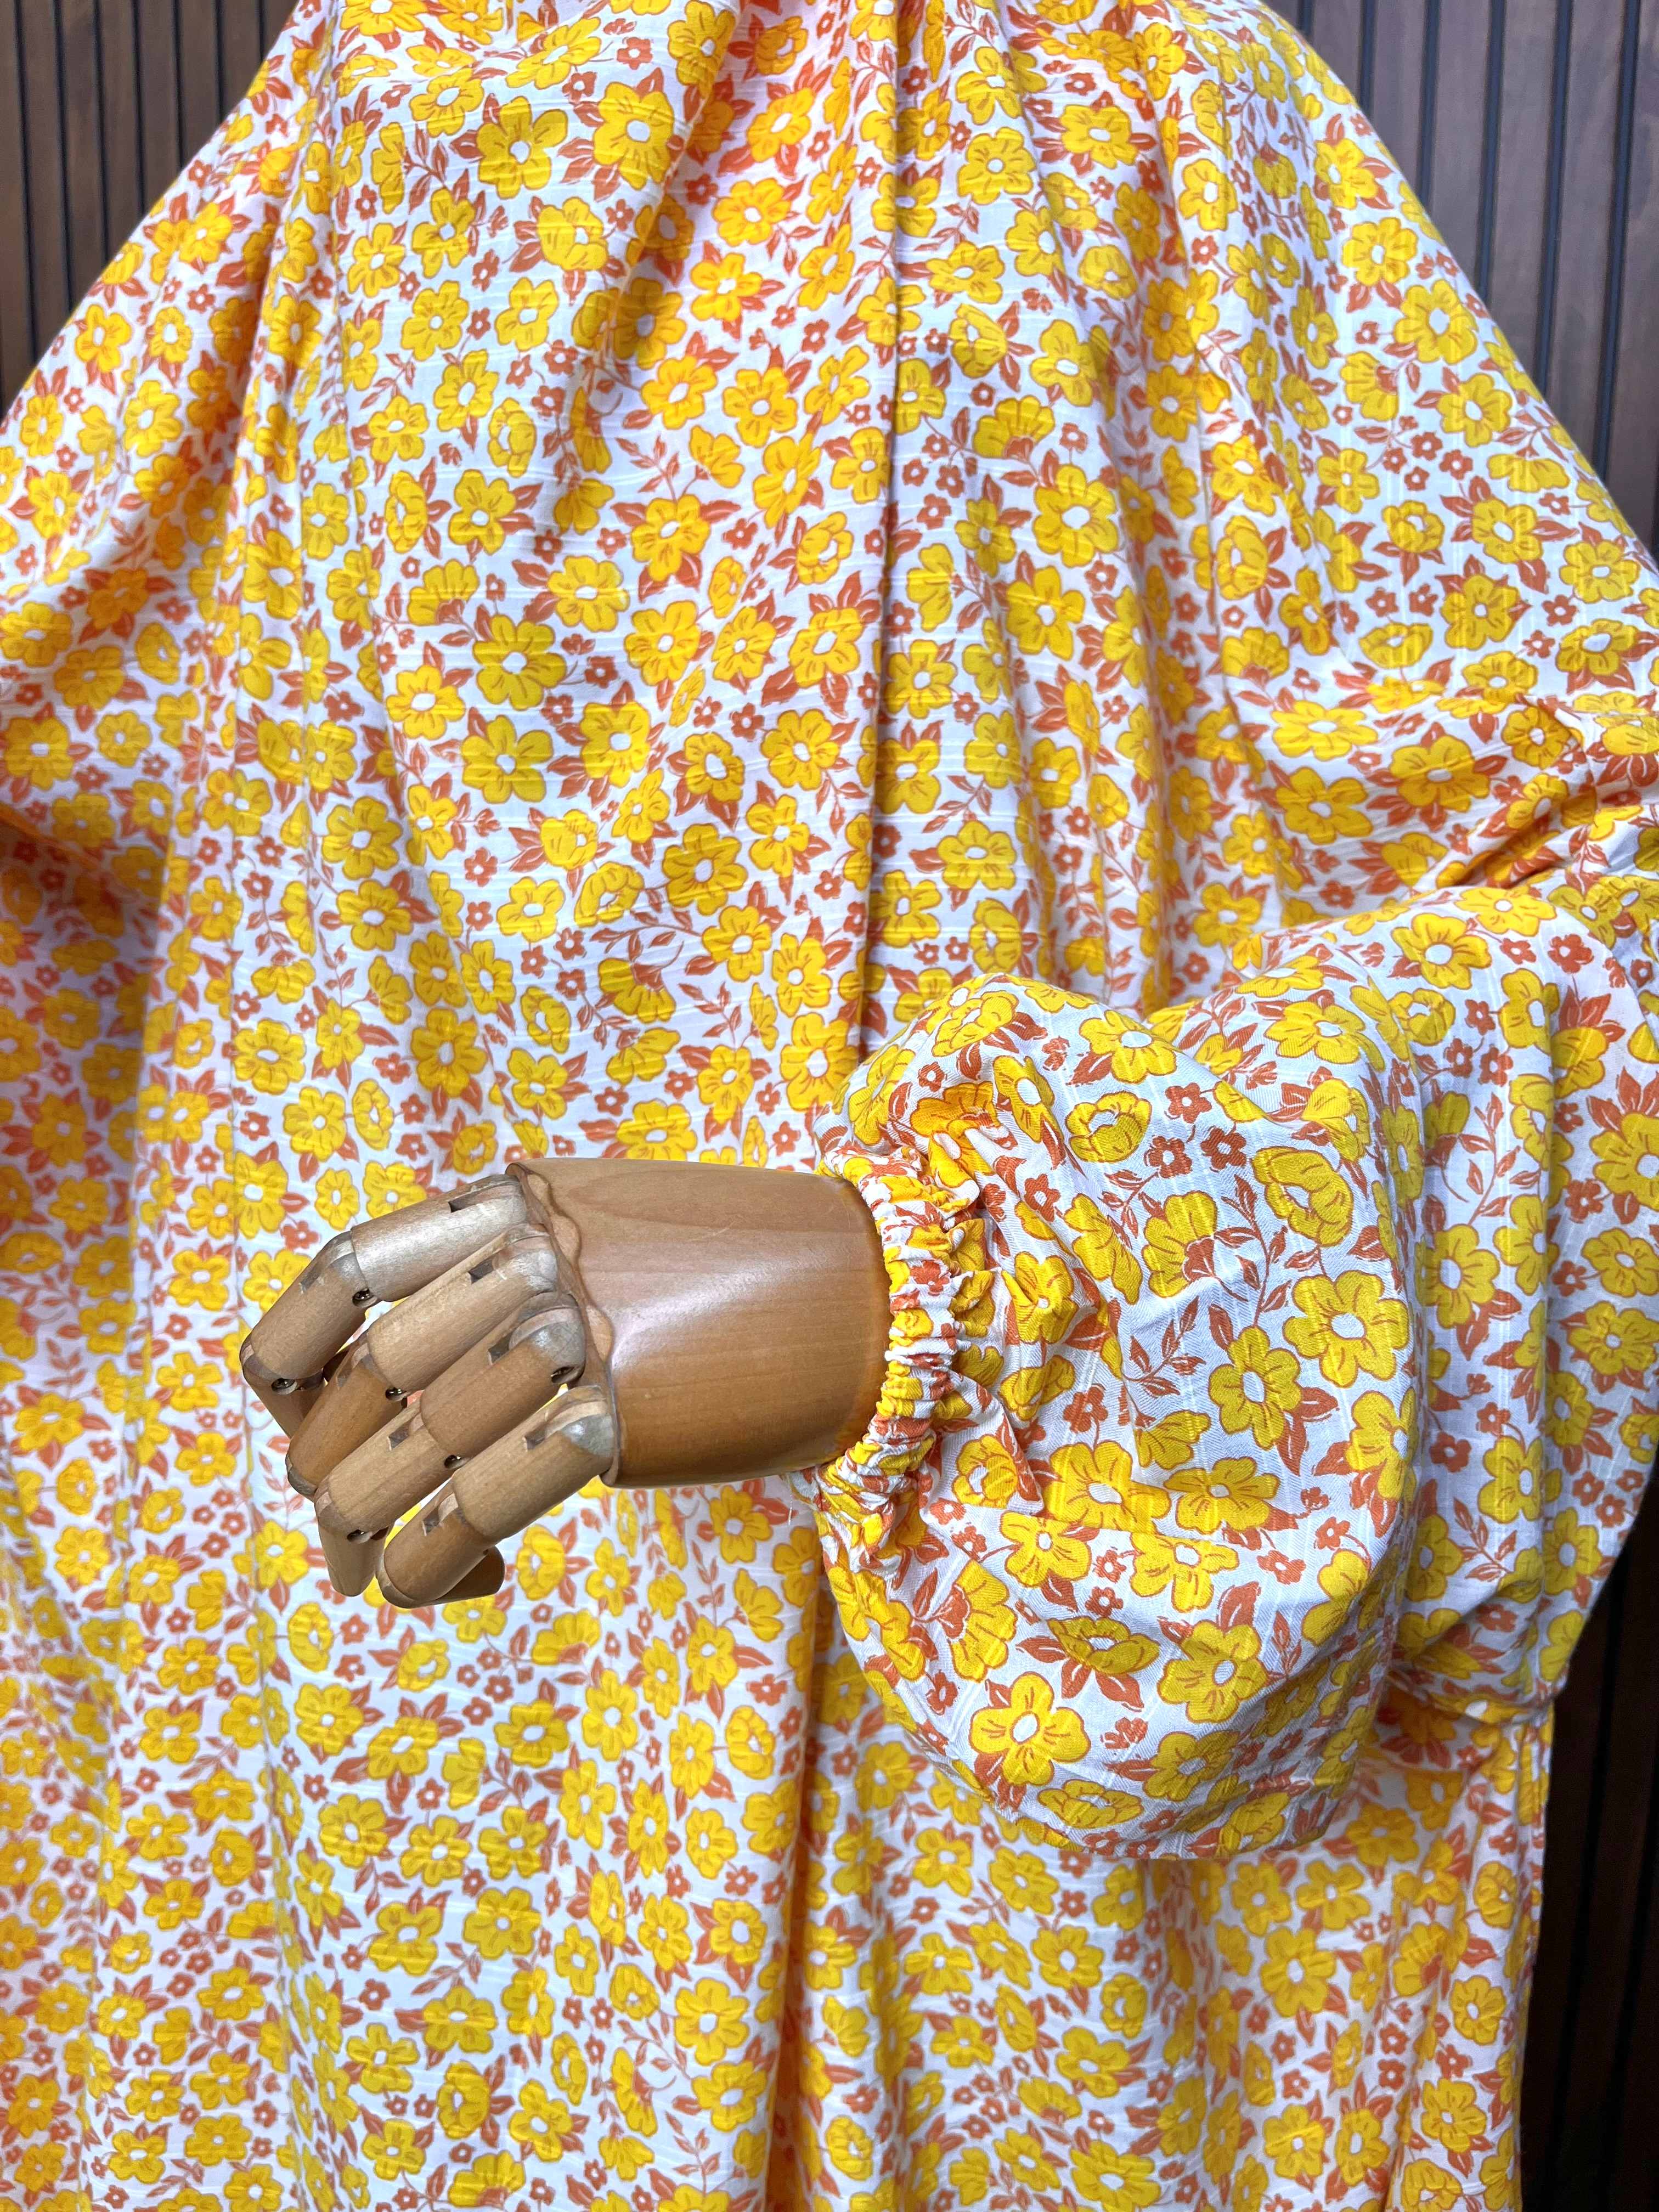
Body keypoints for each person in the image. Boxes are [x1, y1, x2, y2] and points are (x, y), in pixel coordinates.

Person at [1, 0, 1656, 2203]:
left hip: (982, 1855)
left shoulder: (1144, 96)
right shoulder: (362, 109)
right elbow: (83, 832)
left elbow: (1609, 937)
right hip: (386, 1799)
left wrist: (975, 1277)